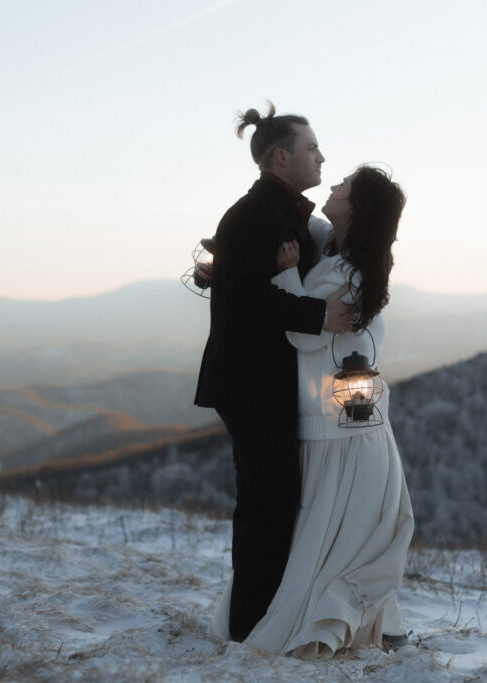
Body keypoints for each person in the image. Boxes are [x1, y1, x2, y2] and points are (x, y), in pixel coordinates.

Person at [211, 165, 415, 658]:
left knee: (327, 531)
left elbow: (305, 334)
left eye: (342, 186)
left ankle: (327, 620)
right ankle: (357, 619)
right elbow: (318, 227)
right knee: (332, 535)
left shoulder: (346, 273)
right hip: (347, 418)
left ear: (356, 207)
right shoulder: (336, 250)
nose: (332, 186)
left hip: (335, 427)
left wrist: (284, 275)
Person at [195, 103, 354, 643]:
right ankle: (249, 629)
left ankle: (258, 621)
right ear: (280, 157)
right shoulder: (256, 215)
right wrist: (318, 315)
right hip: (251, 386)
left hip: (264, 384)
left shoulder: (282, 214)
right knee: (269, 505)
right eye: (311, 149)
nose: (321, 157)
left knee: (272, 502)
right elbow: (243, 299)